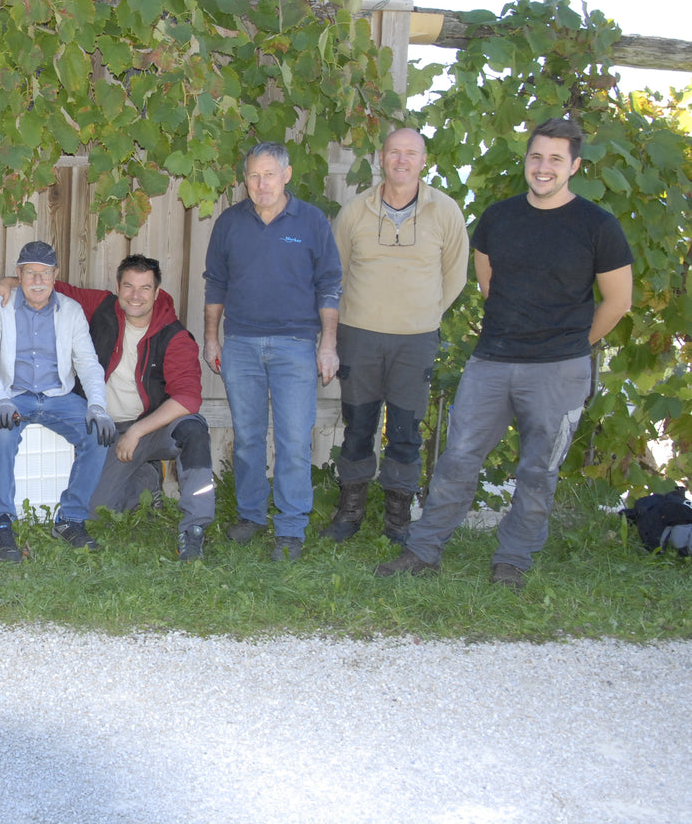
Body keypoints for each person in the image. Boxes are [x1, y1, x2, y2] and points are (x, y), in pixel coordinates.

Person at [377, 118, 633, 589]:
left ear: (574, 165)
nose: (543, 167)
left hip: (559, 369)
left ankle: (512, 560)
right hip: (492, 362)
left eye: (556, 159)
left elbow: (618, 302)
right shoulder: (499, 217)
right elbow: (489, 284)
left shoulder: (598, 225)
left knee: (538, 470)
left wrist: (574, 345)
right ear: (527, 160)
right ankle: (424, 549)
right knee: (457, 459)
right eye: (536, 156)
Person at [0, 255, 215, 560]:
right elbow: (46, 283)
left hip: (152, 427)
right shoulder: (102, 307)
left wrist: (138, 431)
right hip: (110, 431)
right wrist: (6, 282)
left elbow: (188, 398)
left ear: (157, 292)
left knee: (194, 429)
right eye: (128, 286)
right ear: (117, 287)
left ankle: (194, 529)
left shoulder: (174, 335)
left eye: (145, 288)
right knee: (97, 509)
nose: (135, 295)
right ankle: (146, 481)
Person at [322, 128, 468, 544]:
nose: (401, 161)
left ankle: (398, 520)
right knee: (358, 427)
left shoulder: (446, 212)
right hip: (360, 338)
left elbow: (454, 276)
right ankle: (349, 513)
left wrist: (421, 315)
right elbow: (337, 273)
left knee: (405, 431)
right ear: (381, 157)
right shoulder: (355, 211)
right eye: (394, 152)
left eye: (411, 153)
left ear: (424, 161)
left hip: (416, 341)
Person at [203, 142, 341, 562]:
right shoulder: (229, 222)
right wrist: (212, 338)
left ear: (286, 175)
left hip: (296, 346)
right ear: (245, 179)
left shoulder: (312, 221)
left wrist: (328, 344)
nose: (261, 184)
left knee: (294, 439)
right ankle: (250, 516)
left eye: (268, 175)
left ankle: (291, 528)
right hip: (241, 344)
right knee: (246, 438)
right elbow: (215, 284)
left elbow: (330, 284)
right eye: (253, 176)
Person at [0, 241, 116, 562]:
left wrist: (96, 405)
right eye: (30, 273)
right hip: (12, 396)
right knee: (3, 436)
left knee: (97, 434)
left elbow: (89, 363)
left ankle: (71, 519)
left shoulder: (71, 311)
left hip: (57, 398)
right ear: (18, 275)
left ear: (55, 275)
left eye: (45, 273)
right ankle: (0, 523)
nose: (38, 280)